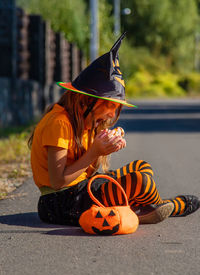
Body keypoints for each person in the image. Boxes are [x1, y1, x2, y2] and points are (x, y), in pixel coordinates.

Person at [29, 33, 199, 226]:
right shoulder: (59, 123)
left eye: (115, 109)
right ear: (85, 100)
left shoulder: (86, 124)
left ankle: (144, 207)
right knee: (139, 181)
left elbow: (89, 172)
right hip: (60, 202)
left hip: (82, 190)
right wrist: (94, 152)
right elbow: (58, 181)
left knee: (141, 167)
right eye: (108, 106)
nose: (111, 115)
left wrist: (103, 146)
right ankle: (165, 206)